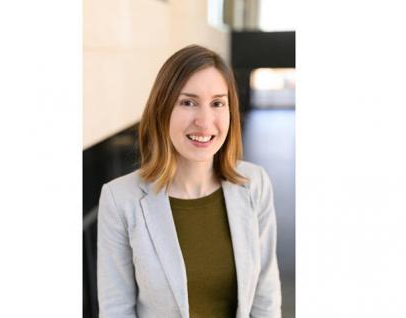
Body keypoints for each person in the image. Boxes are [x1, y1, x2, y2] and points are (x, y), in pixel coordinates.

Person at [97, 44, 281, 318]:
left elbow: (265, 299)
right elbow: (116, 310)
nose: (205, 121)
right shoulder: (120, 198)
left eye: (217, 103)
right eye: (188, 102)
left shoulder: (255, 183)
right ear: (162, 109)